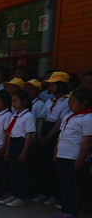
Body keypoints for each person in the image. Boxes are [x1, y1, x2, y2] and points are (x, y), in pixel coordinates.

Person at [51, 88, 92, 218]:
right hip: (64, 154)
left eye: (73, 102)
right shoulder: (69, 116)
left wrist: (81, 158)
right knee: (64, 182)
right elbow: (61, 135)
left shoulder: (87, 117)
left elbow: (87, 139)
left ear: (84, 102)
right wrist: (56, 151)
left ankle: (73, 211)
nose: (70, 104)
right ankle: (66, 207)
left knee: (73, 185)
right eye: (69, 101)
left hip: (74, 156)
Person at [37, 72, 72, 206]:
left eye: (54, 84)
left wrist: (49, 136)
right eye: (50, 85)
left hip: (55, 133)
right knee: (43, 164)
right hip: (45, 130)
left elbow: (60, 122)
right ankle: (44, 191)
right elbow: (41, 118)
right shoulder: (48, 101)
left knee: (54, 166)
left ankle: (55, 194)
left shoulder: (67, 101)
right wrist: (40, 133)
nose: (50, 87)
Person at [0, 90, 36, 208]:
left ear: (24, 101)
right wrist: (8, 150)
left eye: (16, 101)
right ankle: (13, 193)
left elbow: (29, 135)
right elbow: (10, 133)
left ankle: (21, 196)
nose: (13, 103)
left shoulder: (28, 116)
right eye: (12, 101)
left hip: (22, 143)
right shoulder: (14, 115)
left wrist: (24, 151)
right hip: (13, 143)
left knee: (21, 172)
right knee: (13, 171)